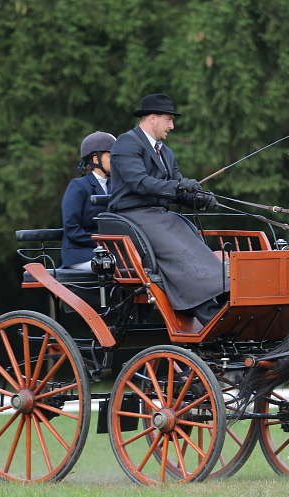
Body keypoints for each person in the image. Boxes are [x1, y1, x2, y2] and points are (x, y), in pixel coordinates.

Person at [108, 93, 223, 325]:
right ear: (152, 118)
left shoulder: (166, 153)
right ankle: (208, 313)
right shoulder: (126, 143)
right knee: (181, 256)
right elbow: (139, 183)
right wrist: (178, 185)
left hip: (161, 217)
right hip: (134, 216)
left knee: (197, 248)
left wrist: (198, 199)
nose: (172, 126)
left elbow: (178, 192)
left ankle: (223, 297)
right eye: (168, 120)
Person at [60, 131, 116, 270]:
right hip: (80, 253)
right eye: (111, 157)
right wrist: (102, 244)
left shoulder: (114, 189)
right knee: (118, 267)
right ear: (96, 160)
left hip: (107, 252)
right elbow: (72, 229)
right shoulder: (78, 186)